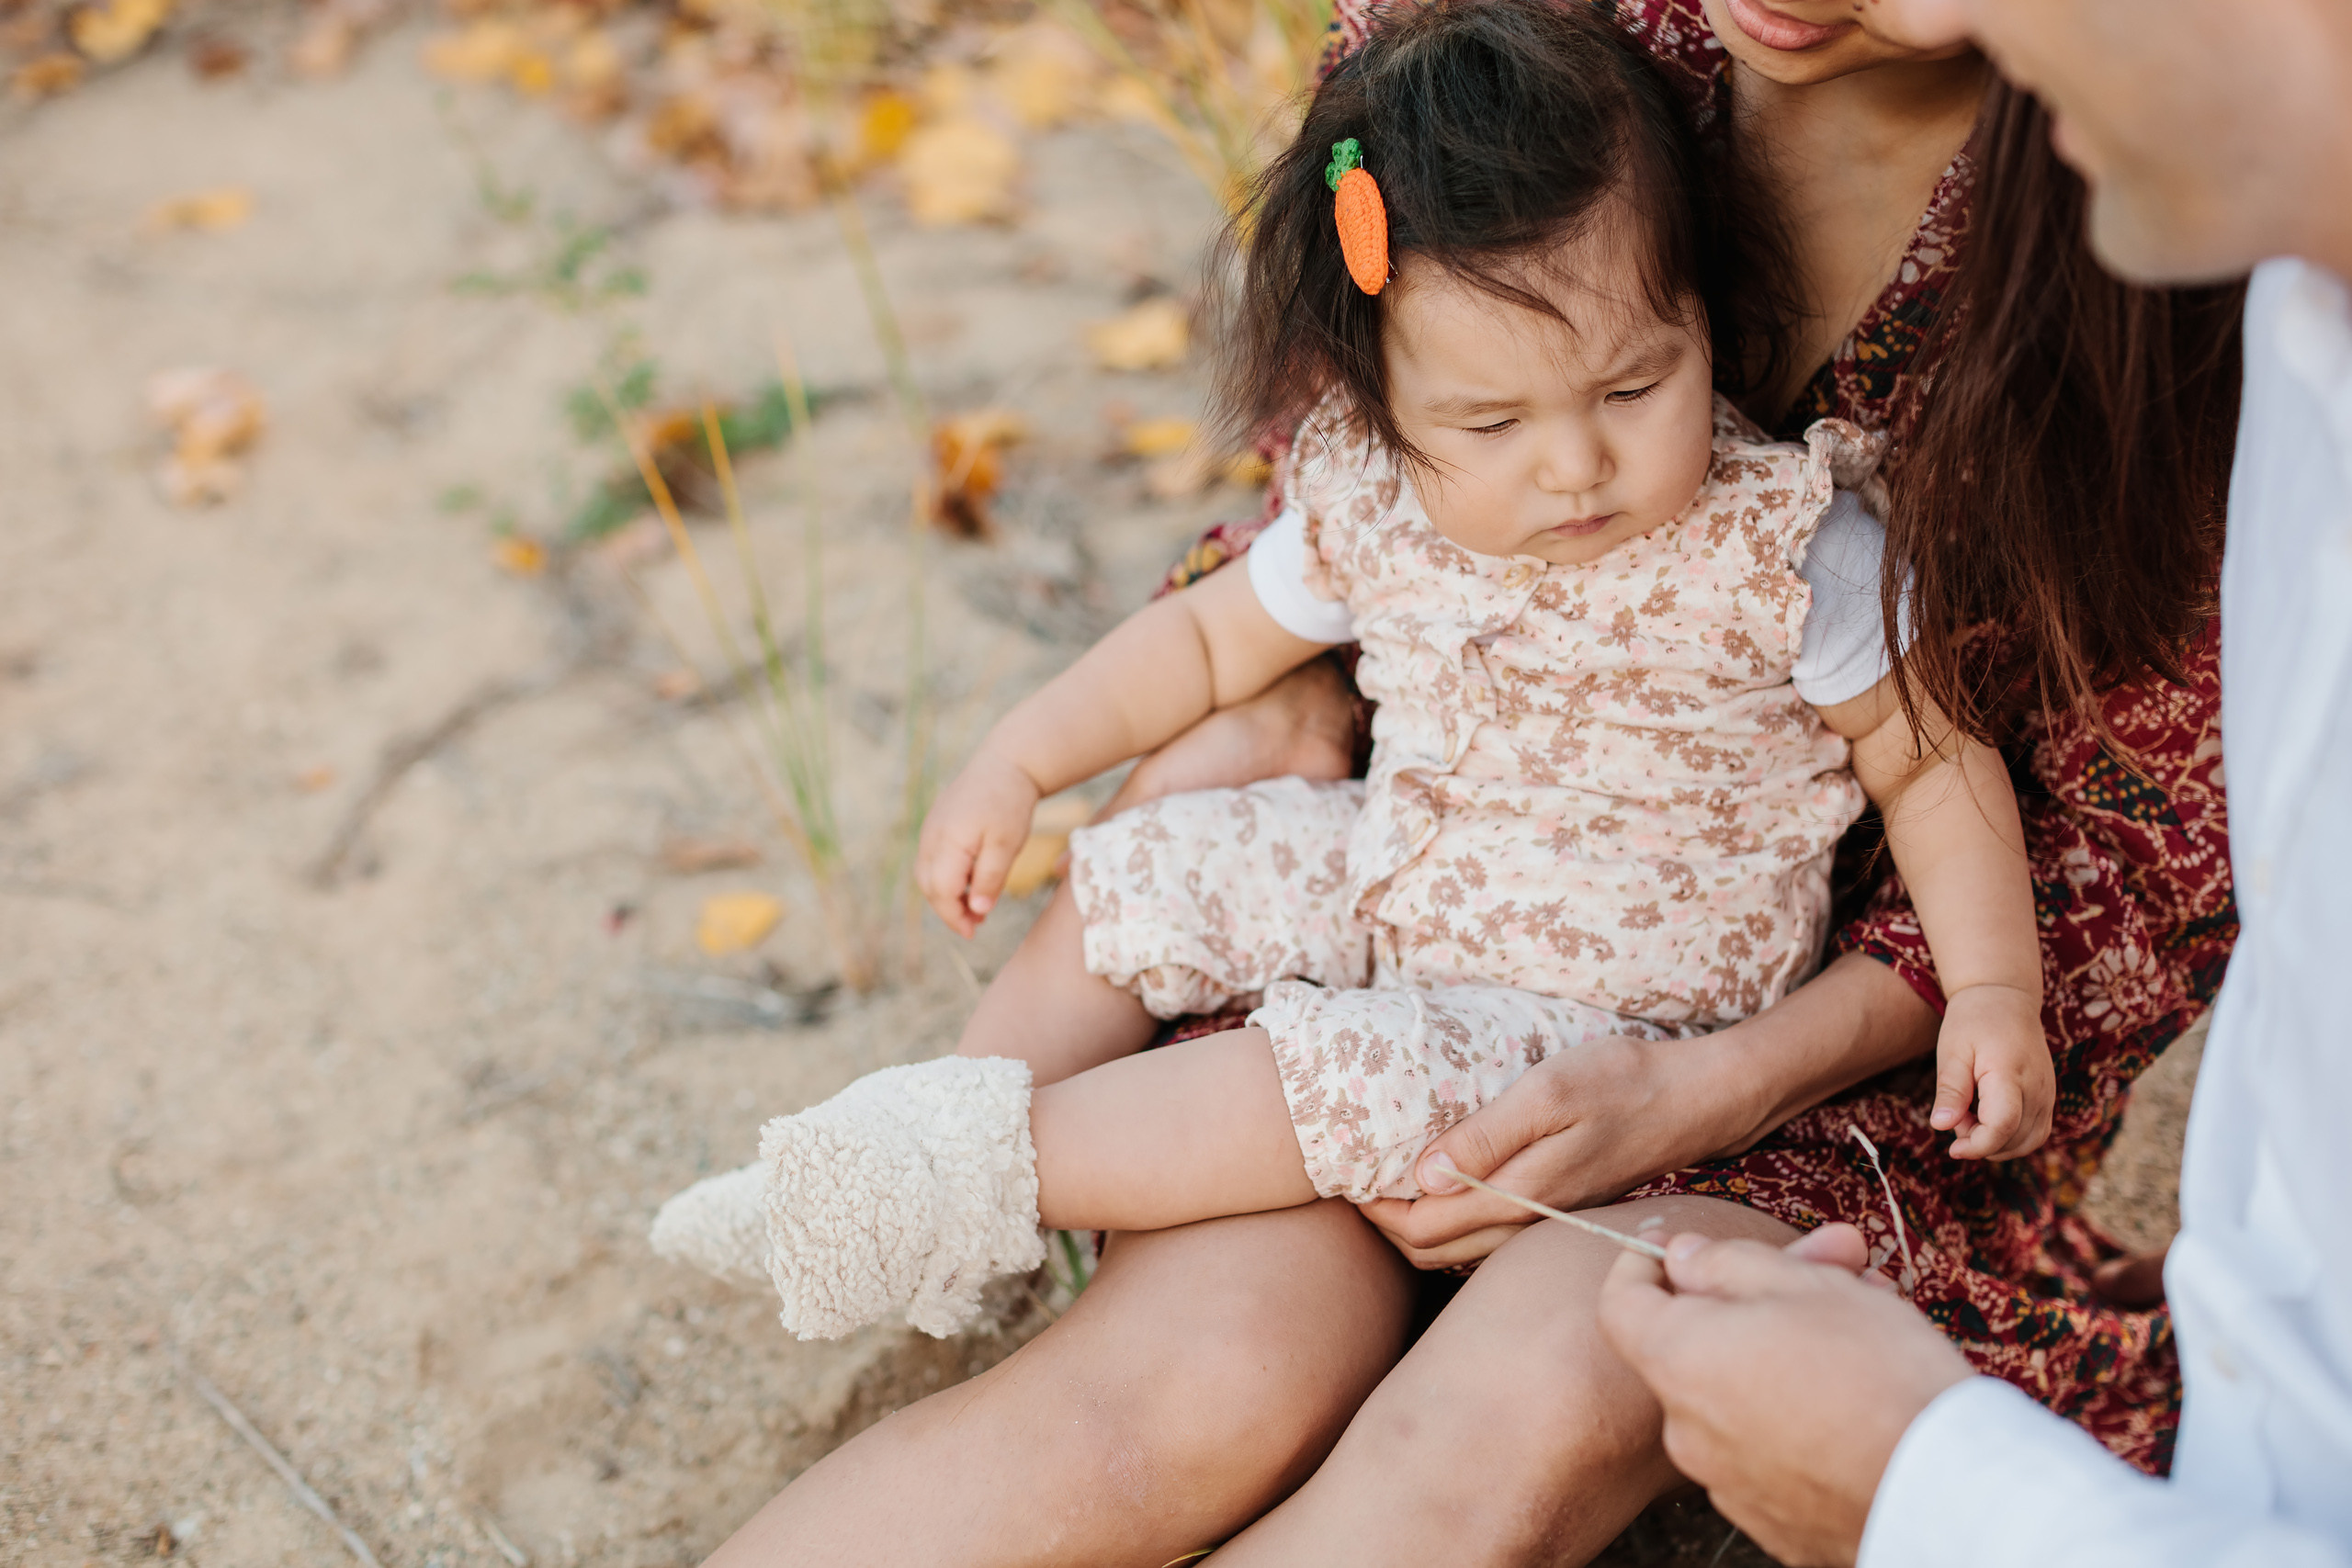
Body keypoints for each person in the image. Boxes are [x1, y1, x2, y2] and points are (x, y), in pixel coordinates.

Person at [691, 2, 2242, 1561]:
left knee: (1470, 1423)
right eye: (1497, 421)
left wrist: (1978, 995)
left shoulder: (1806, 534)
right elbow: (1225, 628)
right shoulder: (1472, 141)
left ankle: (975, 1169)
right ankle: (947, 1148)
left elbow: (1962, 776)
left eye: (1633, 390)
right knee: (1178, 1354)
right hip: (1411, 877)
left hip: (1688, 1027)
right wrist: (1040, 755)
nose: (1573, 469)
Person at [1595, 0, 2352, 1563]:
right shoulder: (2304, 332)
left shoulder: (2206, 331)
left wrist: (1925, 1490)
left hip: (1884, 1104)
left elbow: (2126, 860)